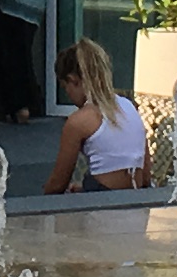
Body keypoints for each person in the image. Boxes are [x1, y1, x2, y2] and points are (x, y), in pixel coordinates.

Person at [42, 39, 150, 195]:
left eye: (66, 88)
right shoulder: (129, 106)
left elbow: (57, 184)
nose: (69, 95)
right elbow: (145, 176)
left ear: (73, 80)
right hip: (136, 194)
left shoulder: (79, 121)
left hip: (102, 195)